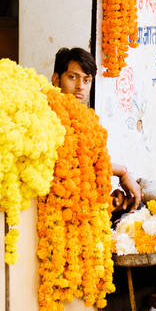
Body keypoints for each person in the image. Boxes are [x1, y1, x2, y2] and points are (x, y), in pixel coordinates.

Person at [51, 47, 142, 206]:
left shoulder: (87, 118)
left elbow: (93, 163)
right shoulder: (47, 115)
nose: (80, 86)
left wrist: (111, 200)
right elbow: (74, 164)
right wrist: (122, 171)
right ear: (56, 79)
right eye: (72, 77)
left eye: (87, 80)